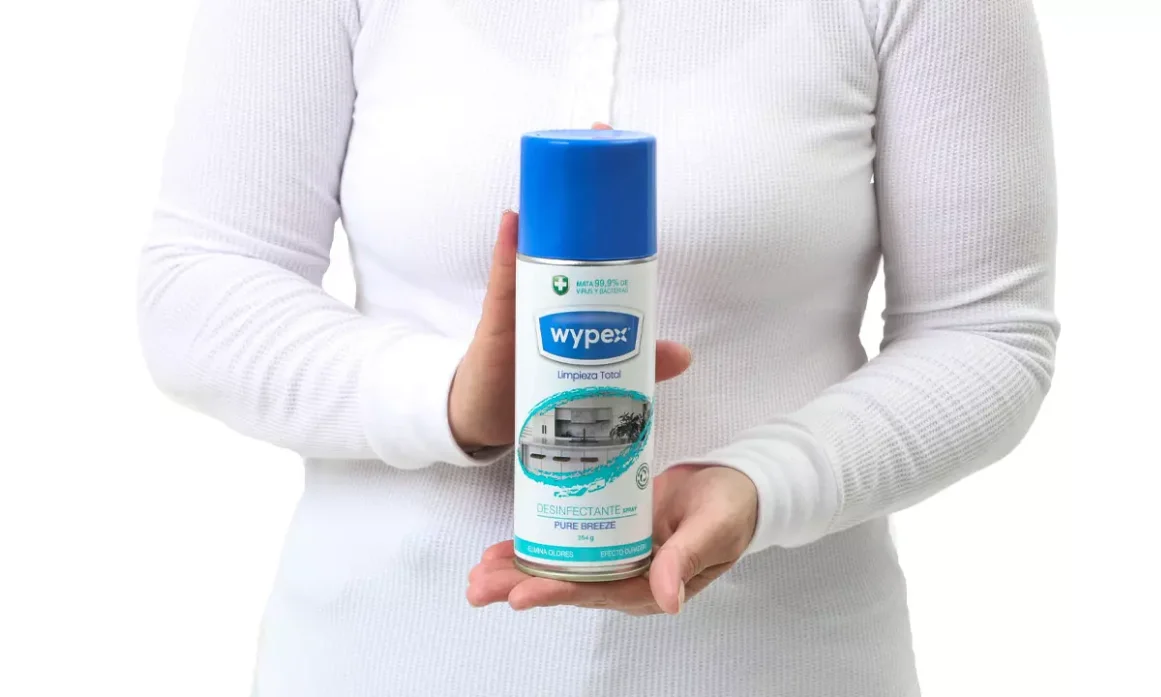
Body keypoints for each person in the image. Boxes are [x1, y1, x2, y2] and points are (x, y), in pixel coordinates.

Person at [137, 0, 1058, 695]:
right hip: (383, 657)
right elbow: (200, 286)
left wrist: (766, 481)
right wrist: (449, 397)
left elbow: (987, 331)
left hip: (780, 662)